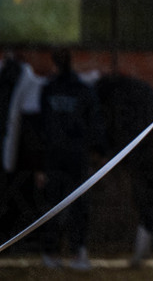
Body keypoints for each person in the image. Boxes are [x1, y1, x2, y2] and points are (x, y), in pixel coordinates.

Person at [37, 49, 103, 269]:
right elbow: (94, 125)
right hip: (77, 157)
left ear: (55, 64)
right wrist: (96, 154)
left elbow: (42, 129)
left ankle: (51, 252)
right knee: (79, 205)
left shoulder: (48, 90)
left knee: (53, 205)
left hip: (55, 157)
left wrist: (41, 165)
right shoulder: (83, 90)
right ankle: (77, 252)